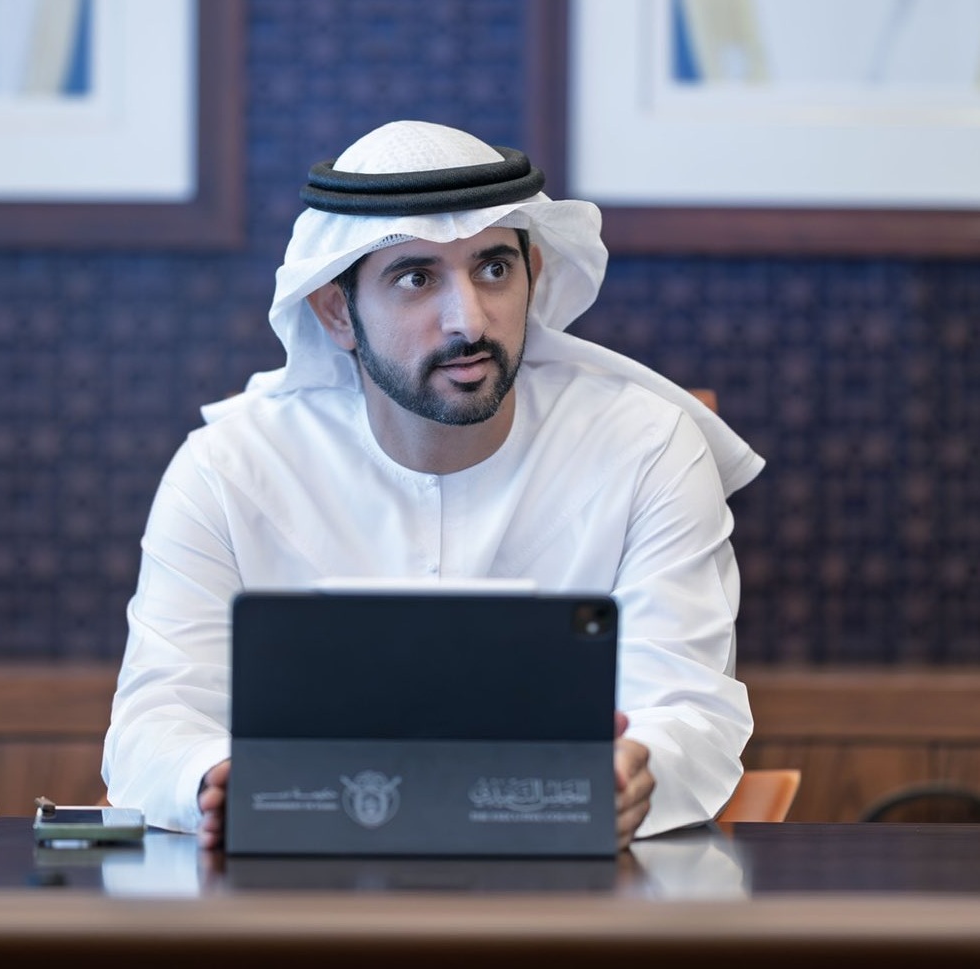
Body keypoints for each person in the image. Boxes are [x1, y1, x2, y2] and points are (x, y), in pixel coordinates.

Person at [101, 120, 765, 851]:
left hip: (569, 885)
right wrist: (213, 777)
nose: (468, 321)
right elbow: (156, 716)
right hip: (298, 887)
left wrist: (640, 771)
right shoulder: (229, 469)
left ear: (532, 274)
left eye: (493, 269)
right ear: (336, 311)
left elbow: (687, 704)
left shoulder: (646, 446)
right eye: (416, 278)